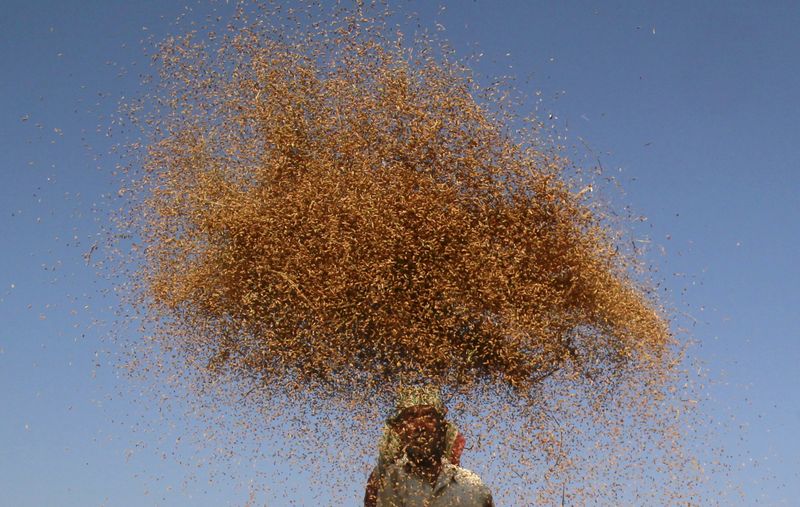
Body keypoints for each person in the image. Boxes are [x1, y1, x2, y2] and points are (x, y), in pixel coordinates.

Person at [365, 386, 493, 507]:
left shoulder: (472, 486)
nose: (420, 425)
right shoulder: (388, 480)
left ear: (442, 429)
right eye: (411, 418)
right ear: (400, 430)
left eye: (429, 417)